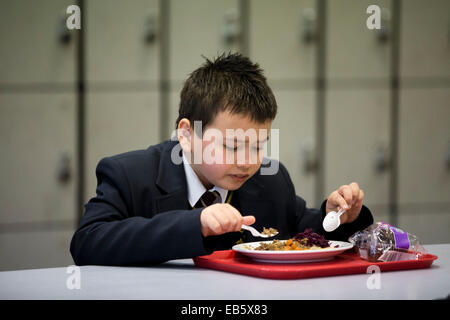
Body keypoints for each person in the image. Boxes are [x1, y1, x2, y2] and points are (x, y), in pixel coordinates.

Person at [70, 53, 373, 266]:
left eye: (258, 146)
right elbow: (88, 243)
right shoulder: (130, 175)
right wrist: (195, 224)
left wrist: (337, 217)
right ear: (187, 134)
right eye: (231, 146)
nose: (247, 162)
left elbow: (303, 231)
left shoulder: (270, 179)